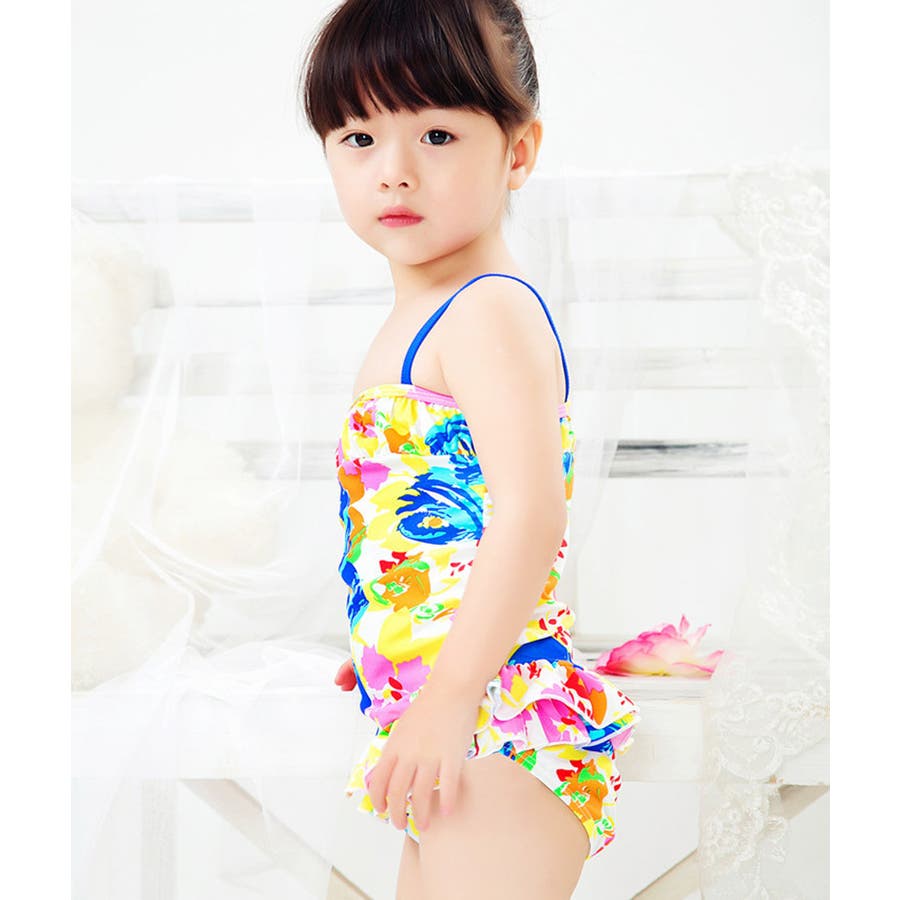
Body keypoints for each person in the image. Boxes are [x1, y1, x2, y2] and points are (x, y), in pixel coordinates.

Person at [298, 2, 640, 897]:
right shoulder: (422, 315)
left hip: (500, 716)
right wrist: (395, 635)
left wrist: (449, 692)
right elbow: (431, 515)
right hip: (455, 705)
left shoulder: (486, 307)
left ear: (517, 153)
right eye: (359, 137)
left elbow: (529, 514)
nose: (395, 171)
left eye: (438, 135)